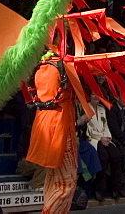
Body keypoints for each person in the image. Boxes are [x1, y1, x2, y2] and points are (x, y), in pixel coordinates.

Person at [26, 54, 78, 213]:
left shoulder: (39, 66)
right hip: (60, 124)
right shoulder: (63, 65)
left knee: (51, 178)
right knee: (66, 182)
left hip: (43, 122)